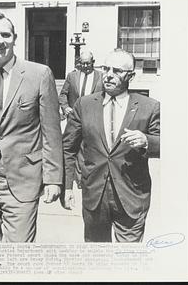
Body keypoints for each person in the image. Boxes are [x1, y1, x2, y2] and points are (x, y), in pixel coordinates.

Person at [0, 11, 63, 242]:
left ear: (15, 38)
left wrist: (53, 180)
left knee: (18, 255)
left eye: (5, 34)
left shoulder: (39, 74)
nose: (0, 41)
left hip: (23, 180)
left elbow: (51, 132)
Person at [63, 48, 160, 242]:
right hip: (94, 197)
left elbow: (175, 144)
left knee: (128, 261)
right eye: (106, 69)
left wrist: (146, 141)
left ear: (130, 76)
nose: (108, 75)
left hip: (131, 196)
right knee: (97, 259)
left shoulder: (149, 107)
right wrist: (66, 187)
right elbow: (68, 148)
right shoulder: (84, 105)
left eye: (117, 71)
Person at [59, 50, 103, 187]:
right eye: (82, 64)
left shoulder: (101, 77)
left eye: (88, 63)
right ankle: (71, 178)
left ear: (93, 62)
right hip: (74, 118)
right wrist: (65, 107)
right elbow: (63, 95)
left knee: (87, 147)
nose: (85, 66)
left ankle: (82, 178)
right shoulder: (72, 76)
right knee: (71, 146)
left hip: (92, 117)